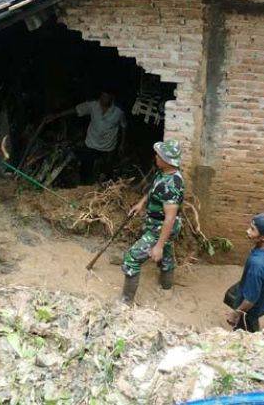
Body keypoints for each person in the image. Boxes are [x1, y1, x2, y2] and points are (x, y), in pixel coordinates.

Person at [121, 139, 184, 304]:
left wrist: (159, 246)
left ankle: (126, 302)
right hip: (160, 224)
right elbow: (154, 189)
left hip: (161, 227)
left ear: (166, 160)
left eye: (158, 155)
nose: (155, 156)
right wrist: (141, 203)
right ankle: (166, 287)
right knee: (167, 256)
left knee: (132, 259)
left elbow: (170, 218)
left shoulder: (171, 186)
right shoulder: (165, 173)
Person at [45, 88, 127, 184]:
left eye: (106, 97)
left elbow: (124, 126)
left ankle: (106, 190)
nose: (102, 99)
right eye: (102, 96)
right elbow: (76, 110)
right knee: (85, 169)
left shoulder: (119, 112)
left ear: (112, 98)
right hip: (91, 144)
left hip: (108, 147)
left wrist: (122, 144)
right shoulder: (93, 105)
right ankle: (84, 186)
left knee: (107, 171)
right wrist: (56, 116)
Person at [226, 213, 264, 333]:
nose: (247, 231)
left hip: (252, 306)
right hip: (263, 292)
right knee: (230, 294)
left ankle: (251, 331)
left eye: (252, 229)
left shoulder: (257, 264)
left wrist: (235, 314)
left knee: (246, 327)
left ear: (263, 237)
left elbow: (250, 300)